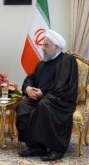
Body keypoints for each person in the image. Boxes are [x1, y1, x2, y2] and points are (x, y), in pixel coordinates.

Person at [16, 29, 78, 161]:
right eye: (43, 45)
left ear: (56, 47)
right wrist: (27, 88)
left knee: (45, 105)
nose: (42, 48)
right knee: (23, 105)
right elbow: (31, 77)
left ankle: (57, 148)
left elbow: (61, 83)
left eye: (46, 45)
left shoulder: (67, 60)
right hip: (42, 98)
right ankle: (36, 146)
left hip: (60, 100)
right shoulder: (42, 62)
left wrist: (43, 92)